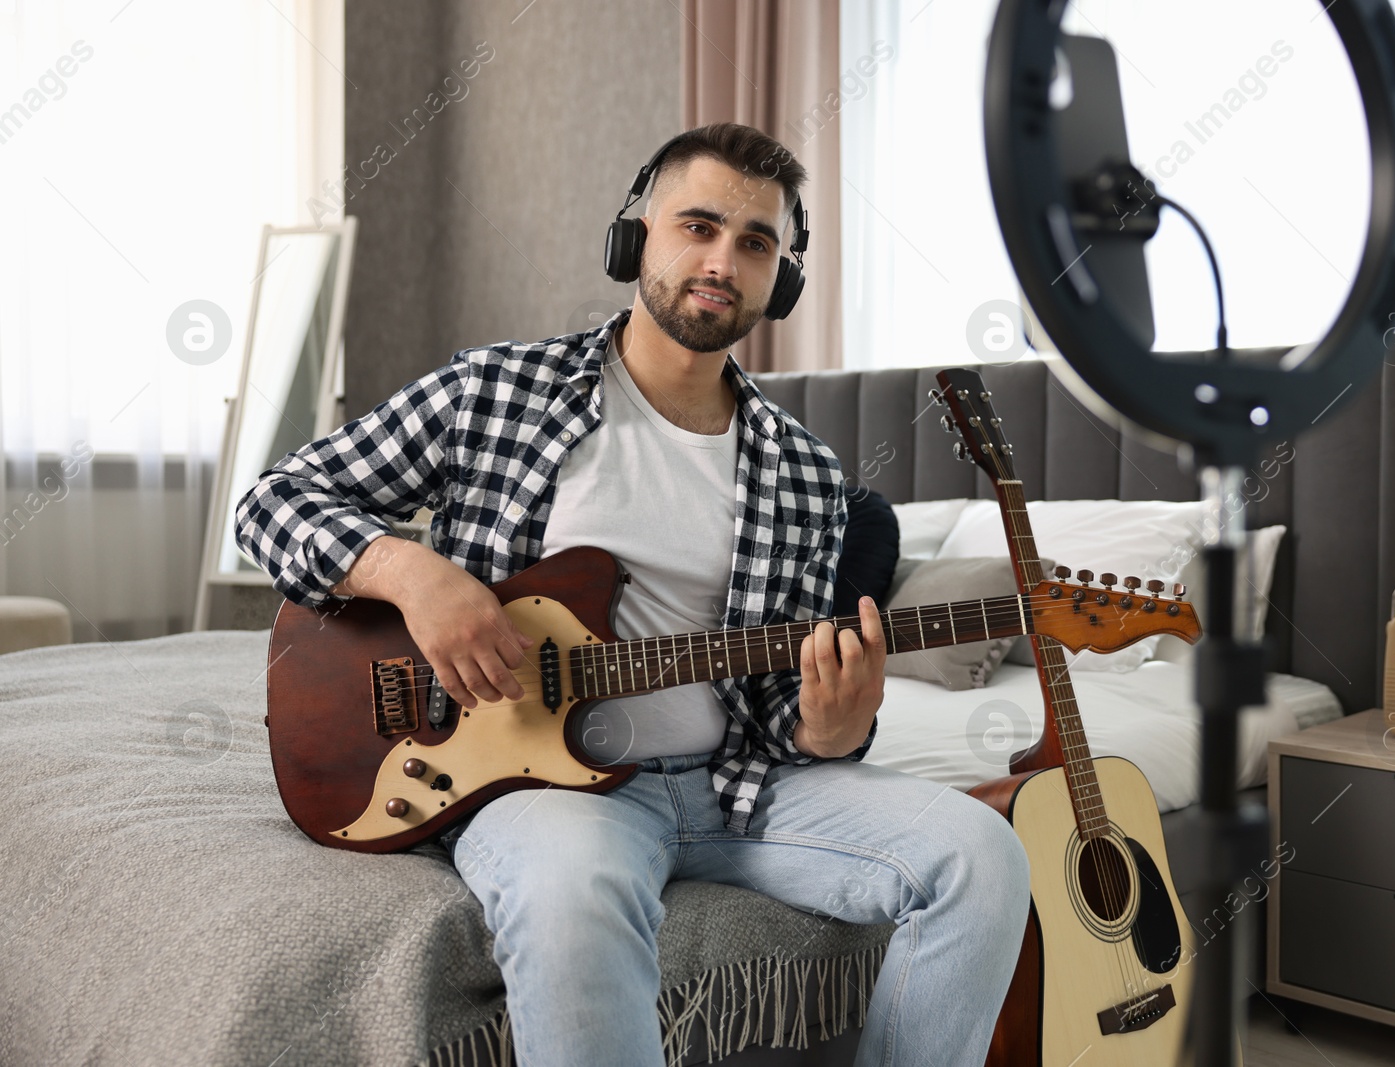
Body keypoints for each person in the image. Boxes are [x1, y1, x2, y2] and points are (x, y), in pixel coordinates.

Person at [235, 122, 1030, 1067]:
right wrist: (412, 574)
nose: (720, 260)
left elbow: (781, 712)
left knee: (983, 855)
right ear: (635, 239)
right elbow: (273, 500)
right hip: (543, 782)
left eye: (755, 243)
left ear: (784, 277)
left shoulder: (808, 476)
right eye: (698, 225)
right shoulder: (496, 391)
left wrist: (827, 728)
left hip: (740, 789)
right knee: (574, 898)